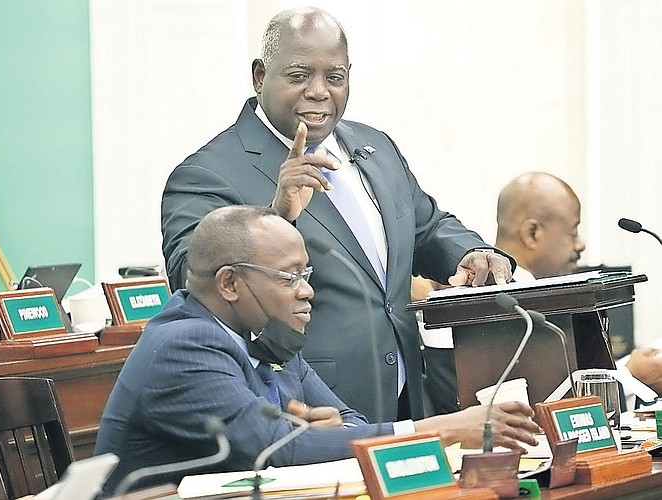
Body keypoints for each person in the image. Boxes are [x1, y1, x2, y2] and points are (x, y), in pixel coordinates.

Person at [161, 6, 514, 422]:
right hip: (307, 410)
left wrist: (468, 252)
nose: (318, 91)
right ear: (260, 76)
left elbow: (425, 226)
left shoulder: (375, 146)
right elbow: (194, 284)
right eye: (299, 76)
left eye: (335, 77)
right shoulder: (206, 173)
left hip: (407, 402)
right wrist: (277, 217)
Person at [95, 206, 540, 495]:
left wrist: (325, 432)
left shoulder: (269, 339)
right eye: (289, 277)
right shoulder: (184, 344)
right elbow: (275, 451)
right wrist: (446, 429)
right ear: (229, 283)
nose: (307, 291)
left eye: (306, 273)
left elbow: (353, 423)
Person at [420, 171, 662, 411]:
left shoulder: (557, 299)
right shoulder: (476, 304)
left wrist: (625, 372)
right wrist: (629, 377)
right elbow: (498, 403)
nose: (581, 244)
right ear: (532, 233)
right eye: (573, 231)